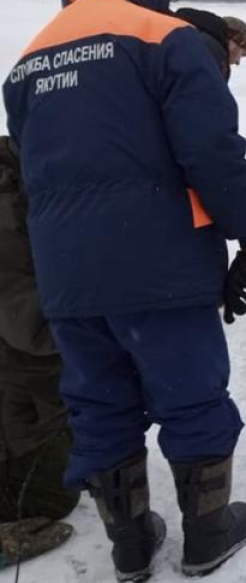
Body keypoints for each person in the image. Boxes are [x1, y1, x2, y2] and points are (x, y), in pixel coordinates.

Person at [2, 0, 246, 581]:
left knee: (97, 400)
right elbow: (211, 151)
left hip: (65, 273)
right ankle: (206, 535)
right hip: (159, 263)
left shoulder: (28, 60)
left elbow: (34, 171)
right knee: (190, 391)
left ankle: (129, 546)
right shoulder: (164, 35)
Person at [0, 136, 79, 570]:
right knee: (53, 494)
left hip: (33, 391)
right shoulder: (14, 200)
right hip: (20, 401)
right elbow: (29, 324)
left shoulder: (31, 182)